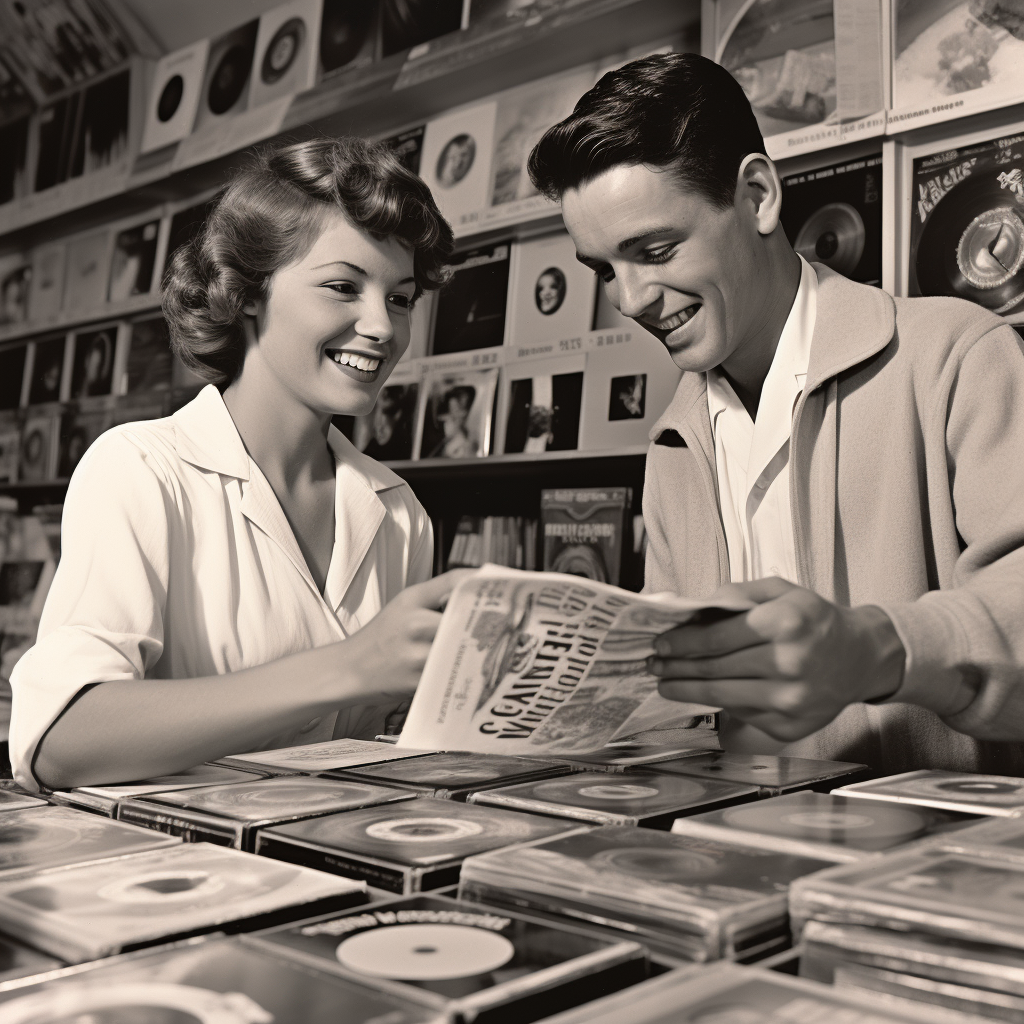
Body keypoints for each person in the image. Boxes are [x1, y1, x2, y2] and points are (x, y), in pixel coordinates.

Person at [528, 53, 1024, 773]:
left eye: (655, 249)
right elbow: (681, 706)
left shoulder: (959, 355)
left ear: (758, 195)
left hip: (940, 867)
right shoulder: (673, 440)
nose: (630, 299)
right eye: (604, 268)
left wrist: (874, 650)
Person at [9, 137, 466, 792]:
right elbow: (59, 738)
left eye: (401, 298)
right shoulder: (140, 468)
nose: (382, 328)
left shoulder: (398, 511)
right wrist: (350, 667)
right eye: (343, 286)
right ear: (247, 292)